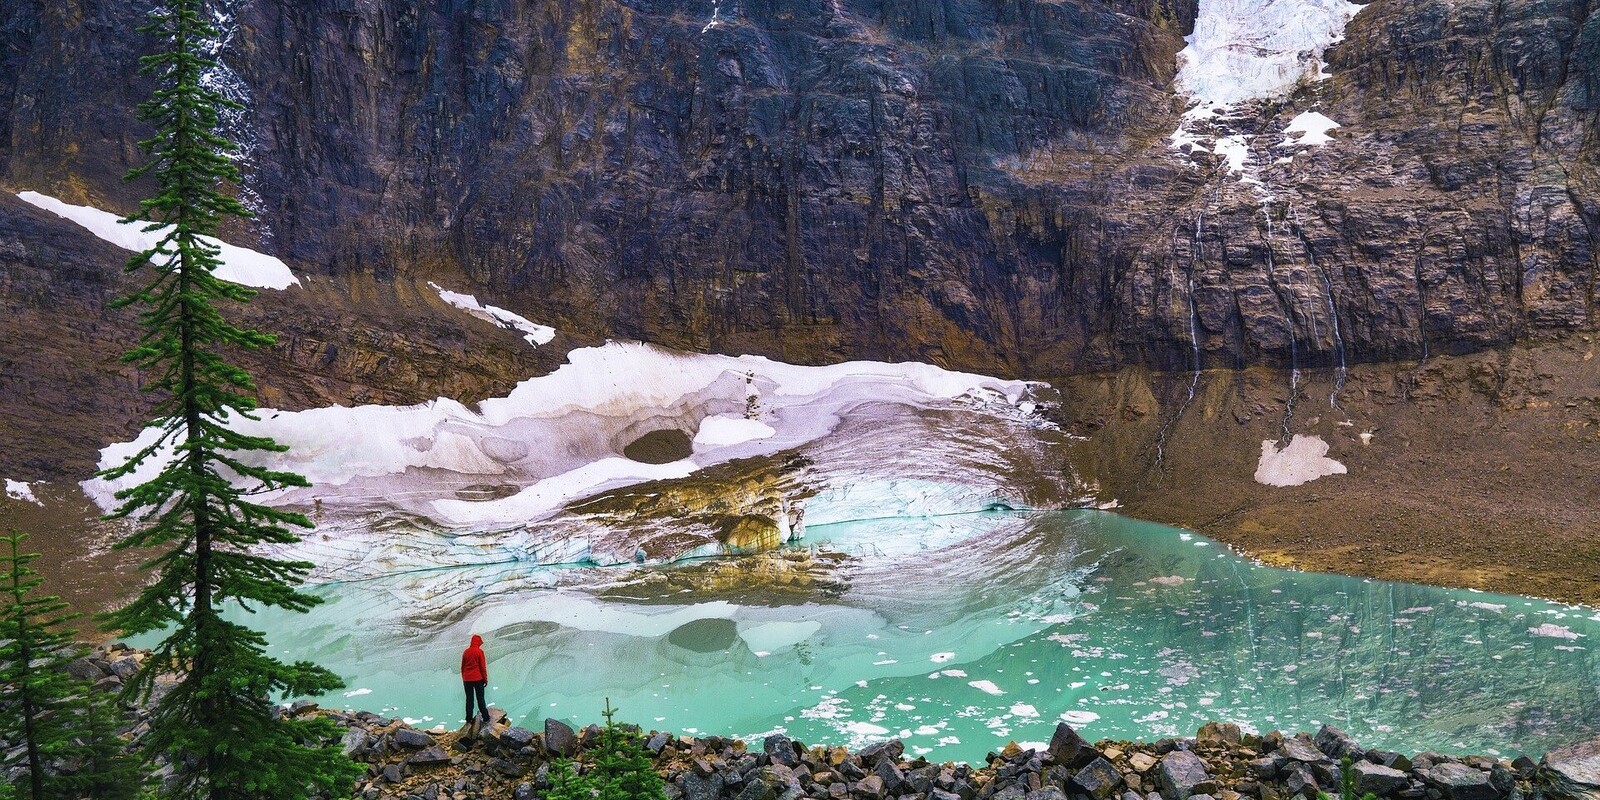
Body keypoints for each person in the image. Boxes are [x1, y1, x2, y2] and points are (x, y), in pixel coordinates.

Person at [461, 633, 490, 728]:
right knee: (480, 699)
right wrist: (485, 679)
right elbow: (482, 667)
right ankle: (485, 717)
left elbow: (463, 667)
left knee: (469, 699)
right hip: (478, 679)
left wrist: (464, 678)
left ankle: (468, 719)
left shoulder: (466, 652)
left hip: (467, 679)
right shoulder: (479, 652)